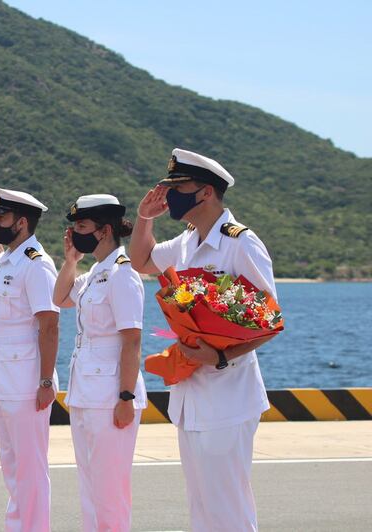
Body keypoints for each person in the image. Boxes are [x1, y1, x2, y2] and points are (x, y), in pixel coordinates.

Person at [129, 148, 277, 532]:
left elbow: (269, 321)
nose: (170, 194)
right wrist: (145, 220)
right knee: (202, 505)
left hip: (229, 393)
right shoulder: (186, 241)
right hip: (192, 393)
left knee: (228, 504)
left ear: (206, 192)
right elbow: (142, 261)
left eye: (179, 186)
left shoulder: (241, 242)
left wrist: (222, 358)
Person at [52, 194, 147, 532]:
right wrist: (69, 261)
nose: (75, 232)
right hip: (86, 391)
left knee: (110, 489)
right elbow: (60, 298)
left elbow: (131, 340)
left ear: (104, 230)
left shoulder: (122, 274)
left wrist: (125, 397)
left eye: (81, 227)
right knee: (90, 485)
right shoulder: (96, 273)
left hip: (110, 394)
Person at [0, 186, 60, 532]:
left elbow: (49, 326)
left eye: (2, 217)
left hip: (27, 382)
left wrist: (45, 381)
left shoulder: (38, 265)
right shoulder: (7, 259)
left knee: (29, 468)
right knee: (11, 465)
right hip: (1, 377)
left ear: (23, 222)